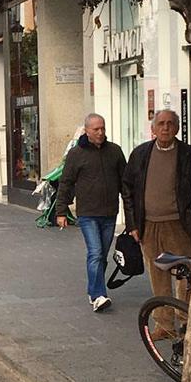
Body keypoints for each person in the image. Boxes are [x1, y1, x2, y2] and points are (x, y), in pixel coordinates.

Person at [122, 109, 191, 340]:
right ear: (153, 129)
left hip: (179, 225)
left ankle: (187, 323)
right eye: (161, 124)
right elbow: (128, 190)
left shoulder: (189, 155)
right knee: (158, 275)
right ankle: (165, 325)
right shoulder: (140, 154)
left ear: (177, 128)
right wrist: (133, 223)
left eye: (170, 124)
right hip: (149, 225)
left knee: (186, 275)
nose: (165, 128)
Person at [55, 113, 126, 313]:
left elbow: (125, 183)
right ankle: (98, 296)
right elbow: (66, 183)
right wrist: (61, 211)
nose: (101, 132)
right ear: (87, 131)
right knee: (95, 253)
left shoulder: (115, 152)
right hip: (87, 214)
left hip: (110, 212)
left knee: (102, 255)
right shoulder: (76, 154)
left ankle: (93, 288)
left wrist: (131, 212)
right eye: (96, 129)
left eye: (103, 128)